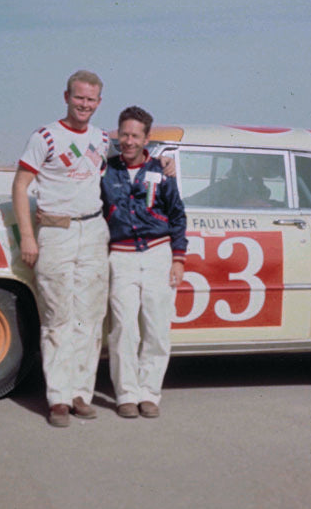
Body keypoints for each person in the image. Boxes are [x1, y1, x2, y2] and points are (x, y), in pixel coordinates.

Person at [12, 70, 110, 427]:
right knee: (58, 317)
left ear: (99, 103)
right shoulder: (46, 137)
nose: (84, 105)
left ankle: (80, 393)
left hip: (93, 229)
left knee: (90, 317)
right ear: (66, 96)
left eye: (91, 100)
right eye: (79, 97)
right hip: (55, 231)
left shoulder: (102, 139)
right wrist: (27, 235)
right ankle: (57, 398)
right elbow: (20, 185)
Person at [101, 106, 187, 419]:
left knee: (157, 328)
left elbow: (177, 215)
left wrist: (178, 259)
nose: (128, 141)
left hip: (157, 255)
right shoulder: (105, 170)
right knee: (123, 328)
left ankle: (149, 393)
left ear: (147, 138)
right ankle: (126, 394)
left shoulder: (162, 171)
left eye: (136, 135)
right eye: (124, 134)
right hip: (121, 256)